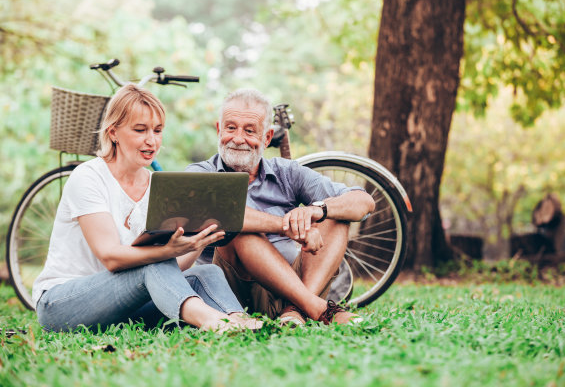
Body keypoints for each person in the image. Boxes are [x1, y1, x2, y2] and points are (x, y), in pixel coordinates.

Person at [33, 84, 259, 333]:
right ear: (113, 132)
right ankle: (210, 321)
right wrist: (166, 252)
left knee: (207, 273)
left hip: (121, 306)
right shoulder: (88, 176)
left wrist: (199, 241)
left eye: (158, 130)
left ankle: (239, 322)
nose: (151, 141)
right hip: (61, 305)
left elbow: (171, 269)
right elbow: (111, 257)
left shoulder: (155, 186)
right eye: (140, 130)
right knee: (152, 261)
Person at [186, 88, 375, 325]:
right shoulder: (200, 174)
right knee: (235, 225)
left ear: (267, 138)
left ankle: (295, 309)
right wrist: (285, 226)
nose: (237, 138)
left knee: (335, 214)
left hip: (295, 288)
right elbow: (222, 213)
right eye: (230, 128)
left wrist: (317, 210)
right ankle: (316, 309)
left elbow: (364, 201)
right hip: (234, 296)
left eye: (249, 131)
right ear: (218, 130)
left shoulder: (287, 172)